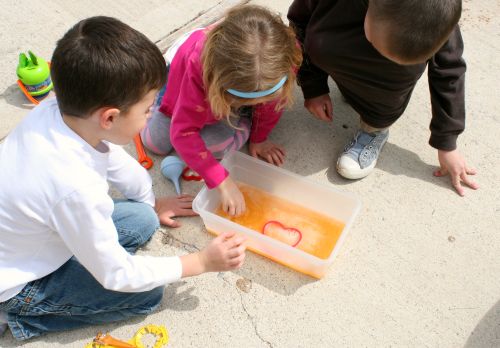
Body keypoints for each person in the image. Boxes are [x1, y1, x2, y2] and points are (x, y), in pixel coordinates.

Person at [0, 16, 246, 340]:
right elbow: (117, 275)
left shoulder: (57, 110)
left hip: (38, 232)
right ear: (110, 117)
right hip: (19, 281)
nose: (149, 118)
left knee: (143, 218)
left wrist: (151, 202)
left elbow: (114, 159)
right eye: (147, 110)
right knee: (148, 294)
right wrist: (199, 261)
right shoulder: (75, 188)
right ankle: (17, 317)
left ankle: (84, 248)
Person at [288, 0, 479, 196]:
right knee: (323, 45)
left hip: (381, 84)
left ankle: (375, 127)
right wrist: (313, 86)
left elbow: (449, 73)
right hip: (335, 43)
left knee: (394, 74)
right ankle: (350, 83)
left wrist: (447, 141)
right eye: (379, 47)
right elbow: (298, 26)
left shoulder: (436, 13)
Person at [141, 5, 302, 216]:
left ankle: (243, 121)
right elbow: (182, 132)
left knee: (215, 146)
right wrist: (222, 181)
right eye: (251, 102)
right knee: (155, 143)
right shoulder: (199, 66)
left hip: (220, 96)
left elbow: (272, 106)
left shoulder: (283, 61)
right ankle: (154, 97)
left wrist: (259, 138)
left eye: (262, 100)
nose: (259, 105)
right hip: (183, 82)